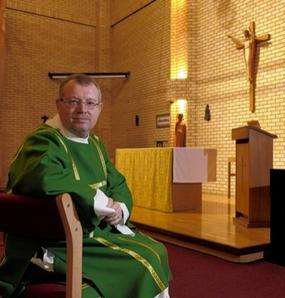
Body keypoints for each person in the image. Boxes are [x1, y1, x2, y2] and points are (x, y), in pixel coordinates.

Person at [0, 74, 170, 298]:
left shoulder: (96, 144)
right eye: (73, 101)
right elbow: (45, 177)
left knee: (157, 251)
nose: (82, 109)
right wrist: (102, 203)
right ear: (59, 105)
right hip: (53, 243)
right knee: (146, 259)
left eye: (90, 103)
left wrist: (120, 208)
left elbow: (117, 181)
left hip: (91, 231)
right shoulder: (44, 141)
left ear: (99, 108)